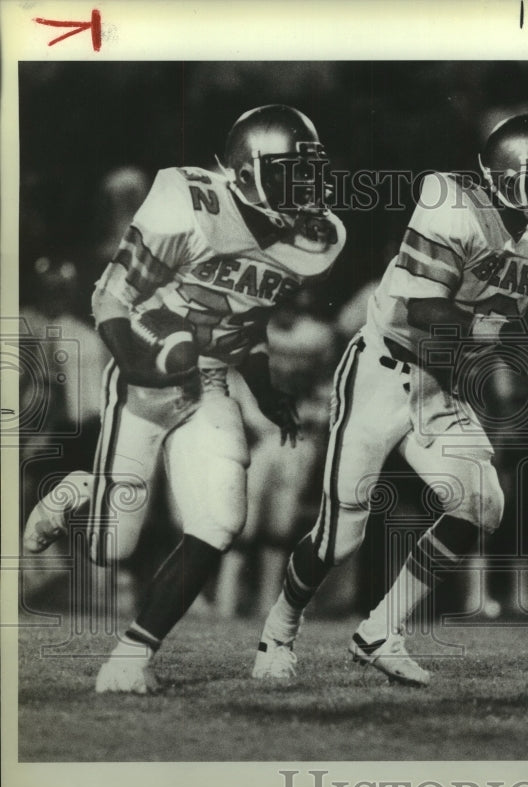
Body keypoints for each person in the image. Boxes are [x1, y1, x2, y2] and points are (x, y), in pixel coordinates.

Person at [253, 112, 528, 686]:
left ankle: (379, 631)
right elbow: (425, 310)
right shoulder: (450, 202)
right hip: (381, 373)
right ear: (510, 174)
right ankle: (278, 630)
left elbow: (509, 322)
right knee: (340, 536)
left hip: (439, 385)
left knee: (482, 502)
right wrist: (492, 344)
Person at [21, 104, 346, 693]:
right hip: (145, 368)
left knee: (220, 521)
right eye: (289, 173)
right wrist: (145, 368)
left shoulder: (313, 239)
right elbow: (110, 302)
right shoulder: (189, 203)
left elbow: (245, 323)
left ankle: (132, 656)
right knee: (107, 550)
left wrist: (265, 389)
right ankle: (79, 488)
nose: (306, 189)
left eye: (310, 172)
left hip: (214, 381)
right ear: (246, 172)